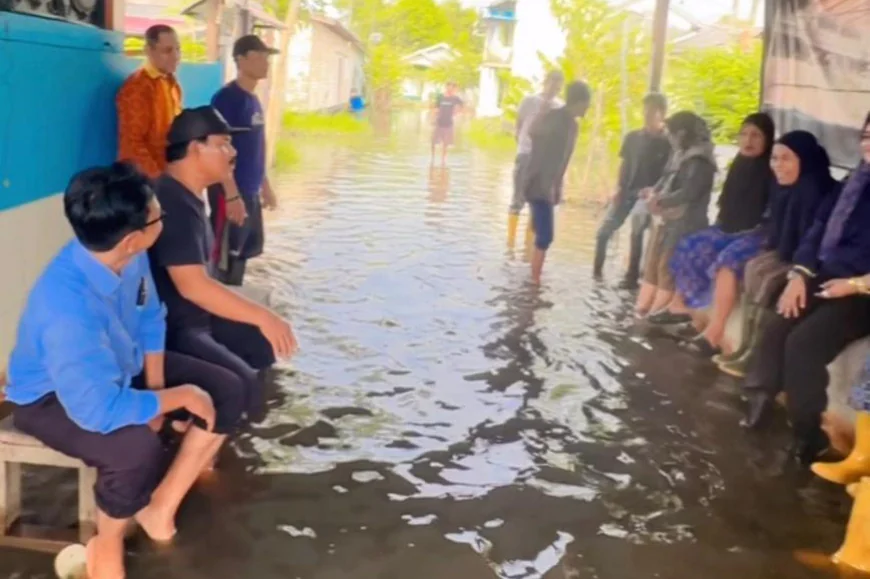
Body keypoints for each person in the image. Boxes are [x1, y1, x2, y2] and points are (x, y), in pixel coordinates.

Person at [5, 162, 246, 579]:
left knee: (229, 386)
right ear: (135, 237)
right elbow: (96, 412)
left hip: (120, 366)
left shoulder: (127, 257)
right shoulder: (66, 309)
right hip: (50, 398)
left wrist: (156, 391)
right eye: (159, 217)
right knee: (135, 450)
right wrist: (180, 396)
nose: (162, 221)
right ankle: (109, 539)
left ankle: (160, 507)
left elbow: (151, 316)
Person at [148, 107, 298, 424]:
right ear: (194, 148)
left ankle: (221, 436)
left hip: (197, 319)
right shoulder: (171, 202)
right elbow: (193, 287)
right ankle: (199, 458)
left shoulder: (187, 194)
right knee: (241, 384)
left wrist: (264, 321)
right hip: (173, 330)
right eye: (223, 144)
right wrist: (264, 315)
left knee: (261, 345)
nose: (232, 153)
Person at [743, 112, 870, 465]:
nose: (867, 144)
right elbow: (817, 229)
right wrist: (799, 275)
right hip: (829, 276)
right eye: (865, 135)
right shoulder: (853, 182)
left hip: (863, 292)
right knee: (781, 317)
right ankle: (760, 396)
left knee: (804, 342)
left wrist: (854, 285)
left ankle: (807, 434)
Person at [648, 113, 775, 357]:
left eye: (756, 135)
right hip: (729, 228)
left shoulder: (771, 169)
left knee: (727, 260)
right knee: (690, 246)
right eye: (745, 134)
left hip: (758, 234)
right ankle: (683, 309)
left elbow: (769, 215)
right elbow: (727, 205)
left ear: (768, 139)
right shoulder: (739, 163)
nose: (749, 140)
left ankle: (714, 334)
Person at [718, 131, 840, 378]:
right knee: (754, 266)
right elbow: (780, 235)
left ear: (803, 161)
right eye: (774, 159)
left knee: (770, 278)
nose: (778, 166)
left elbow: (813, 242)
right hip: (792, 252)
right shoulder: (786, 187)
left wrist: (798, 270)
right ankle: (746, 346)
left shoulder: (813, 189)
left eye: (786, 159)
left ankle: (755, 355)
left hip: (816, 262)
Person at [208, 34, 280, 287]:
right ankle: (214, 315)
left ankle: (234, 307)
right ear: (240, 60)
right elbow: (218, 151)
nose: (265, 62)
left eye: (266, 57)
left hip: (249, 191)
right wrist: (231, 195)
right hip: (230, 192)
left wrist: (265, 186)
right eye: (258, 56)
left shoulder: (253, 100)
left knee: (243, 253)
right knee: (223, 258)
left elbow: (254, 146)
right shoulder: (227, 100)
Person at [634, 111, 717, 318]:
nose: (669, 137)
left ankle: (656, 315)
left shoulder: (700, 159)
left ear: (681, 133)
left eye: (671, 133)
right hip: (666, 218)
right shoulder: (680, 152)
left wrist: (659, 200)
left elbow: (689, 192)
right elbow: (666, 179)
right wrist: (653, 191)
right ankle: (642, 310)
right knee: (652, 264)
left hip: (686, 222)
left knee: (666, 267)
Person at [593, 93, 672, 286]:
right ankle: (596, 275)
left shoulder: (668, 142)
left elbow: (670, 172)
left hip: (649, 194)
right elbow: (625, 164)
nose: (647, 114)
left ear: (662, 113)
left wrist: (655, 192)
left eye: (653, 110)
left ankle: (631, 276)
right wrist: (618, 188)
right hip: (627, 190)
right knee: (604, 232)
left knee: (637, 228)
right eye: (645, 109)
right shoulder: (633, 138)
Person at [523, 81, 592, 284]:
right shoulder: (556, 119)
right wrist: (547, 186)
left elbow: (562, 160)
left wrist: (557, 185)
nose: (588, 108)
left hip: (547, 184)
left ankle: (531, 273)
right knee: (546, 235)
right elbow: (534, 135)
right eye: (587, 103)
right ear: (578, 102)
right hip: (539, 183)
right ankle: (534, 282)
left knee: (540, 230)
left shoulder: (571, 124)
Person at [507, 70, 565, 248]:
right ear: (545, 82)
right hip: (526, 154)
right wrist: (522, 146)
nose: (554, 87)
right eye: (551, 83)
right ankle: (509, 244)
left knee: (537, 202)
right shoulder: (529, 101)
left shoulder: (560, 107)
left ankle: (528, 247)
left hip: (545, 161)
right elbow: (519, 125)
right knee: (518, 198)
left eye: (558, 85)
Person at [117, 24, 182, 178]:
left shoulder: (172, 83)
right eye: (167, 51)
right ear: (148, 51)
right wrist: (159, 179)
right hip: (143, 181)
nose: (176, 56)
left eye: (178, 49)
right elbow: (132, 145)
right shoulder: (137, 87)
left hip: (167, 175)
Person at [430, 81, 463, 166]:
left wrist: (457, 112)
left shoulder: (455, 98)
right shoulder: (440, 97)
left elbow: (462, 106)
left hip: (448, 123)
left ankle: (443, 160)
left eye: (452, 87)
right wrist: (433, 117)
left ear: (454, 89)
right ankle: (432, 159)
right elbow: (435, 107)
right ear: (446, 87)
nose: (450, 89)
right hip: (439, 121)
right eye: (449, 87)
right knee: (433, 141)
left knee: (446, 143)